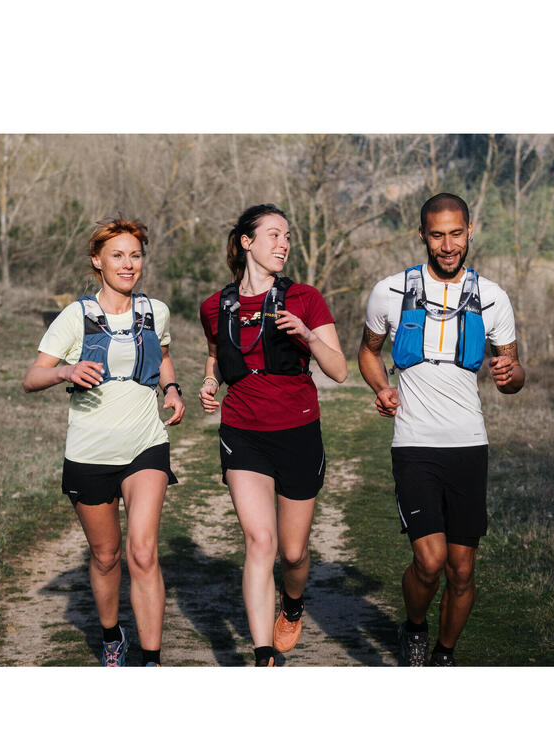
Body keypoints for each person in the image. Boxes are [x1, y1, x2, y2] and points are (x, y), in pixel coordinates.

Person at [358, 193, 525, 666]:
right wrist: (381, 386)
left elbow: (513, 370)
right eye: (437, 235)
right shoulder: (390, 291)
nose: (447, 245)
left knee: (463, 569)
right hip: (414, 444)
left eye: (456, 233)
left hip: (469, 445)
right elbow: (368, 351)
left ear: (470, 231)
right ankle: (413, 627)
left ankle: (443, 656)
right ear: (422, 236)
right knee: (429, 562)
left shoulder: (493, 297)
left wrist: (512, 378)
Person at [23, 216, 184, 666]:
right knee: (107, 555)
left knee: (143, 551)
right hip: (90, 452)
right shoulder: (76, 316)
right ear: (98, 261)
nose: (128, 264)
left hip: (145, 444)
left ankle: (150, 659)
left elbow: (164, 357)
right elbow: (32, 377)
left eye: (135, 255)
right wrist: (65, 371)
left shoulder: (156, 311)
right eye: (118, 255)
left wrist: (171, 389)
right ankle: (113, 634)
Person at [198, 204, 347, 666]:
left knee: (294, 552)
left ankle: (294, 601)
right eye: (274, 235)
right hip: (243, 432)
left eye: (288, 237)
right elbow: (217, 356)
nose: (284, 244)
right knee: (260, 541)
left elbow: (339, 370)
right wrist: (209, 382)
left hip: (299, 430)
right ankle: (264, 655)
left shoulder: (305, 298)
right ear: (246, 242)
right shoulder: (215, 305)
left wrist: (307, 334)